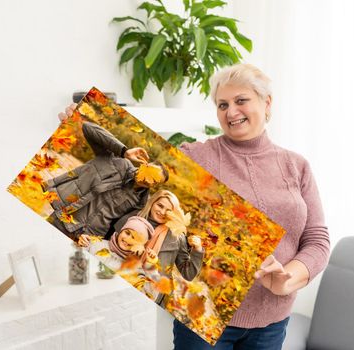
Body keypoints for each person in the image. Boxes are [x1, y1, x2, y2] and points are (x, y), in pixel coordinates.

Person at [171, 63, 330, 349]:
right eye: (222, 104)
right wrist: (81, 125)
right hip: (203, 315)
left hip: (272, 320)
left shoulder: (296, 165)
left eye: (241, 100)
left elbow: (317, 240)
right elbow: (133, 167)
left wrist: (289, 277)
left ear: (267, 103)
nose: (231, 112)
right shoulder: (195, 157)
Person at [41, 120, 169, 240]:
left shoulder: (140, 202)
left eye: (156, 181)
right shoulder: (117, 161)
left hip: (88, 238)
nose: (150, 181)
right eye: (152, 174)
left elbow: (117, 228)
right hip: (64, 219)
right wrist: (124, 151)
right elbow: (88, 127)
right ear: (144, 164)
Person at [114, 189, 205, 307]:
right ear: (152, 202)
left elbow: (188, 273)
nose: (162, 212)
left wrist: (197, 249)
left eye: (168, 210)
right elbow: (111, 244)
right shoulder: (133, 217)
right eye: (160, 205)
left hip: (152, 293)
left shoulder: (176, 235)